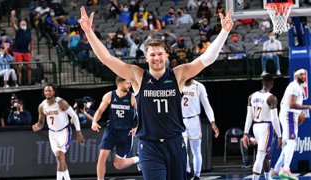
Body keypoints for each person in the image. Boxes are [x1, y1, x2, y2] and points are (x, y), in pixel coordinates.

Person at [79, 6, 233, 179]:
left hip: (175, 143)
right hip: (149, 145)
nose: (157, 58)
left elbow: (207, 59)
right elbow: (106, 59)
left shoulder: (178, 74)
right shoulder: (137, 76)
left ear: (166, 56)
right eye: (152, 55)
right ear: (146, 57)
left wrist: (224, 32)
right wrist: (88, 31)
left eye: (160, 54)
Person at [32, 83, 85, 180]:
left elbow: (74, 115)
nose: (48, 92)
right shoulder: (42, 106)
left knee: (60, 156)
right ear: (44, 93)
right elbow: (41, 123)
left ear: (54, 92)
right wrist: (37, 127)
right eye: (46, 91)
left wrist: (78, 131)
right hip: (52, 133)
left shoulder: (60, 102)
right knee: (60, 159)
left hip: (64, 131)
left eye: (49, 90)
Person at [91, 76, 139, 180]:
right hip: (111, 130)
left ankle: (138, 159)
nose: (129, 85)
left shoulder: (132, 97)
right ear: (119, 83)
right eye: (127, 83)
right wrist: (94, 121)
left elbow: (143, 114)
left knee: (118, 165)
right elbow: (99, 111)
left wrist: (137, 126)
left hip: (126, 133)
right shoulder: (109, 96)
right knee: (102, 157)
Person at [272, 69, 311, 180]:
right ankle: (285, 168)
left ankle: (276, 169)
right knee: (292, 142)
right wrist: (307, 107)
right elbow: (292, 104)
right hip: (290, 115)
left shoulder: (294, 86)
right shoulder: (294, 86)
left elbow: (284, 102)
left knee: (289, 144)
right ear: (295, 76)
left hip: (288, 115)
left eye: (304, 74)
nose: (303, 76)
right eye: (301, 74)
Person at [243, 73, 282, 180]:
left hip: (256, 126)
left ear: (262, 82)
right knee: (260, 156)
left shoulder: (252, 96)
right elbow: (275, 119)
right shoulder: (271, 98)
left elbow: (248, 116)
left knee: (265, 154)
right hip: (266, 127)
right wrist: (279, 136)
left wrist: (245, 133)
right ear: (272, 83)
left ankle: (268, 177)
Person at [181, 79, 219, 180]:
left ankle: (197, 175)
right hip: (180, 121)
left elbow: (207, 105)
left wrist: (213, 123)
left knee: (196, 150)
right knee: (181, 149)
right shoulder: (177, 84)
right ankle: (188, 171)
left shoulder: (199, 86)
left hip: (194, 120)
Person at [10, 10, 33, 85]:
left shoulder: (29, 33)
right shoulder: (18, 31)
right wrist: (12, 15)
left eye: (24, 24)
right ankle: (19, 83)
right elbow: (13, 24)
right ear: (20, 25)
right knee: (19, 68)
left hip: (26, 51)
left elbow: (31, 42)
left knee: (29, 67)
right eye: (22, 24)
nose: (23, 25)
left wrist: (31, 51)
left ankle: (29, 82)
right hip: (18, 51)